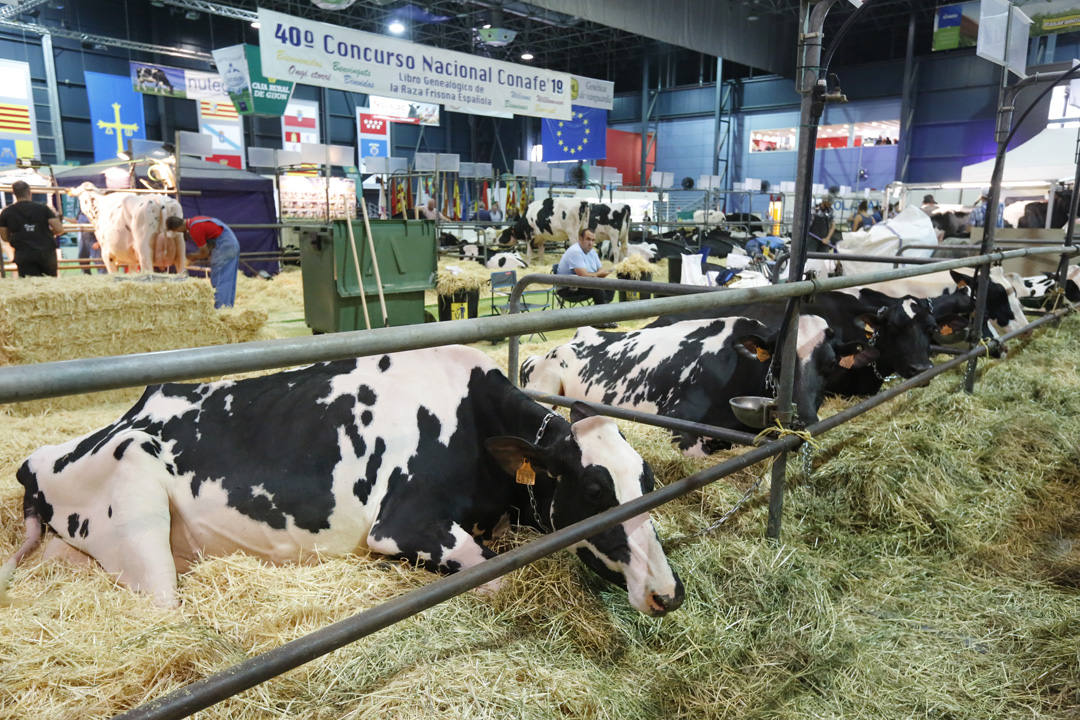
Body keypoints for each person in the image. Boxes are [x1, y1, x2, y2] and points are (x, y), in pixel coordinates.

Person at [166, 215, 239, 309]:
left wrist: (192, 257)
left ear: (178, 228)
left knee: (220, 279)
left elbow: (204, 253)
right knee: (228, 278)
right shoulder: (195, 220)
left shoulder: (195, 229)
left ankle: (221, 309)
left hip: (225, 246)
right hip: (230, 243)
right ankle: (228, 307)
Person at [0, 180, 65, 277]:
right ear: (29, 192)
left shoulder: (7, 212)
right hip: (46, 253)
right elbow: (59, 229)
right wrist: (49, 232)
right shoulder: (43, 208)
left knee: (29, 285)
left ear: (14, 194)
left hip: (23, 253)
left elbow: (4, 237)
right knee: (50, 284)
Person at [555, 227, 615, 326]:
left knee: (611, 286)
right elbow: (583, 275)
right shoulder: (575, 251)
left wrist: (598, 274)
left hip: (583, 285)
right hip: (568, 289)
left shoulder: (592, 252)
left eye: (593, 240)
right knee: (597, 288)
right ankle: (600, 320)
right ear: (580, 239)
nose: (590, 243)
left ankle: (603, 316)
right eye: (588, 239)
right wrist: (598, 275)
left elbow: (600, 269)